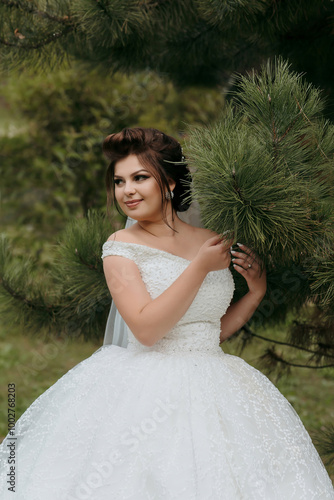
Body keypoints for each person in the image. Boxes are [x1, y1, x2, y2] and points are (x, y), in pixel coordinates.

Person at [0, 128, 333, 500]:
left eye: (140, 177)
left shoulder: (210, 239)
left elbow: (207, 331)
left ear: (170, 184)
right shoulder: (121, 247)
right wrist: (199, 268)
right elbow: (146, 329)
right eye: (119, 181)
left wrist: (256, 293)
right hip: (146, 387)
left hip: (216, 380)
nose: (127, 190)